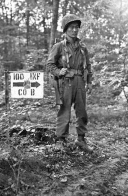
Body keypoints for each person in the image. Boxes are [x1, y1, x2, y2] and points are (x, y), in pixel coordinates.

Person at [47, 14, 93, 152]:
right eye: (72, 27)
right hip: (65, 82)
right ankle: (61, 140)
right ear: (66, 29)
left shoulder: (83, 48)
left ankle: (81, 140)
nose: (74, 30)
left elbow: (88, 66)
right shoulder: (59, 46)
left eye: (76, 27)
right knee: (64, 111)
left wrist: (89, 82)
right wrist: (58, 72)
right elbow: (50, 64)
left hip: (80, 81)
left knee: (82, 111)